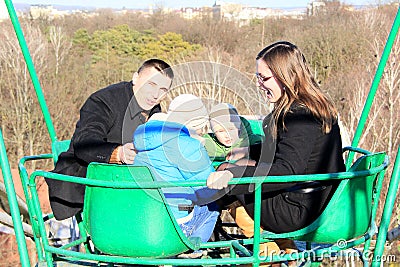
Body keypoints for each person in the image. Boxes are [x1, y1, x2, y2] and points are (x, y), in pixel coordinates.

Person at [206, 41, 346, 249]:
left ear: (286, 77)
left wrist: (233, 175)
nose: (259, 84)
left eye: (264, 78)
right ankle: (277, 246)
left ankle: (265, 250)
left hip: (300, 208)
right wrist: (249, 152)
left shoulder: (300, 116)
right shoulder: (309, 107)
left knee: (225, 180)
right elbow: (291, 151)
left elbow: (287, 169)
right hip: (313, 197)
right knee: (228, 170)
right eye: (257, 77)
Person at [47, 58, 174, 220]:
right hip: (91, 181)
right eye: (151, 84)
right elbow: (84, 143)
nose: (156, 95)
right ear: (135, 78)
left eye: (163, 89)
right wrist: (119, 153)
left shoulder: (154, 108)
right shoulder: (103, 101)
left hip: (132, 182)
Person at [133, 94, 219, 244]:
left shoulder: (141, 142)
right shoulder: (188, 145)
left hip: (145, 219)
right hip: (176, 223)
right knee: (212, 208)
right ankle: (191, 250)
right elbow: (207, 191)